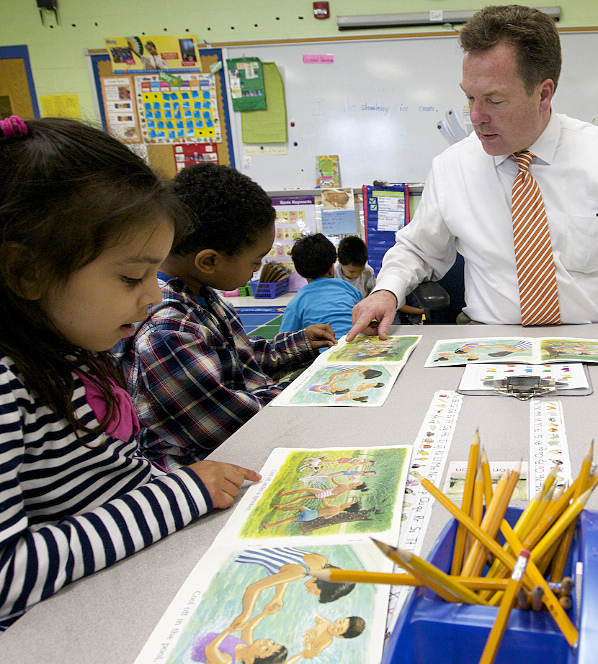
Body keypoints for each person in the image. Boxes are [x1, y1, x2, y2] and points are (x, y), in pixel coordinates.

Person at [0, 116, 260, 631]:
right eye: (130, 276)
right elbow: (7, 576)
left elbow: (117, 474)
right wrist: (183, 493)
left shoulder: (78, 347)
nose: (156, 294)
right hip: (71, 629)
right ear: (29, 272)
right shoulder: (9, 385)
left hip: (132, 581)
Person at [346, 5, 598, 353]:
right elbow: (417, 249)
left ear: (543, 94)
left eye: (495, 100)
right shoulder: (452, 167)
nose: (476, 117)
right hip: (487, 338)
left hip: (594, 335)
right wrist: (387, 290)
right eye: (469, 97)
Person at [119, 163, 337, 470]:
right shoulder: (166, 330)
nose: (257, 270)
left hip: (243, 443)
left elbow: (238, 359)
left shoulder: (201, 293)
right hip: (207, 467)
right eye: (255, 261)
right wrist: (316, 389)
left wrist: (300, 343)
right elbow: (228, 417)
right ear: (209, 261)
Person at [280, 234, 363, 339]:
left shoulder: (297, 301)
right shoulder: (351, 290)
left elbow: (283, 340)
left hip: (321, 353)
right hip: (356, 349)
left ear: (300, 272)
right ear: (332, 267)